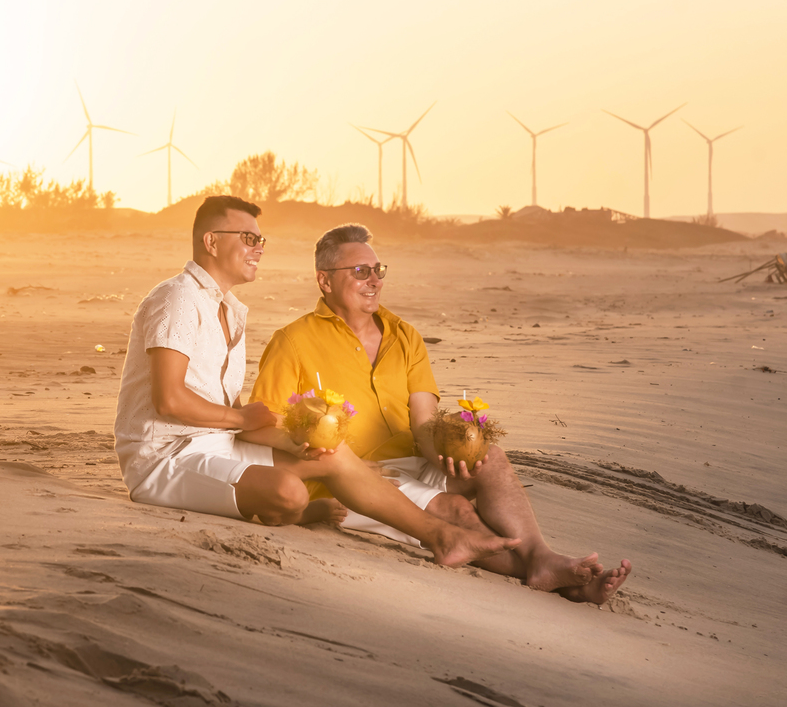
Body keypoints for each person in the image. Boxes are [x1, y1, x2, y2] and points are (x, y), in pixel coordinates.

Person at [113, 196, 521, 567]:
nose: (258, 248)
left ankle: (442, 537)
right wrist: (243, 420)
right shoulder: (178, 299)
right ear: (212, 242)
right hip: (167, 457)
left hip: (217, 444)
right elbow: (168, 400)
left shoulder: (229, 309)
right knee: (289, 491)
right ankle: (300, 512)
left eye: (261, 240)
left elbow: (222, 406)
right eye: (248, 237)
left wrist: (295, 436)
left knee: (329, 452)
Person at [249, 223, 631, 603]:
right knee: (457, 509)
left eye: (378, 271)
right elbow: (265, 423)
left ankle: (542, 558)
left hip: (412, 461)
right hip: (357, 478)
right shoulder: (293, 341)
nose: (374, 281)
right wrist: (325, 455)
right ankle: (566, 584)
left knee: (492, 459)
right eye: (360, 271)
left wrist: (450, 456)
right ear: (325, 281)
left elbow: (424, 425)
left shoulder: (405, 336)